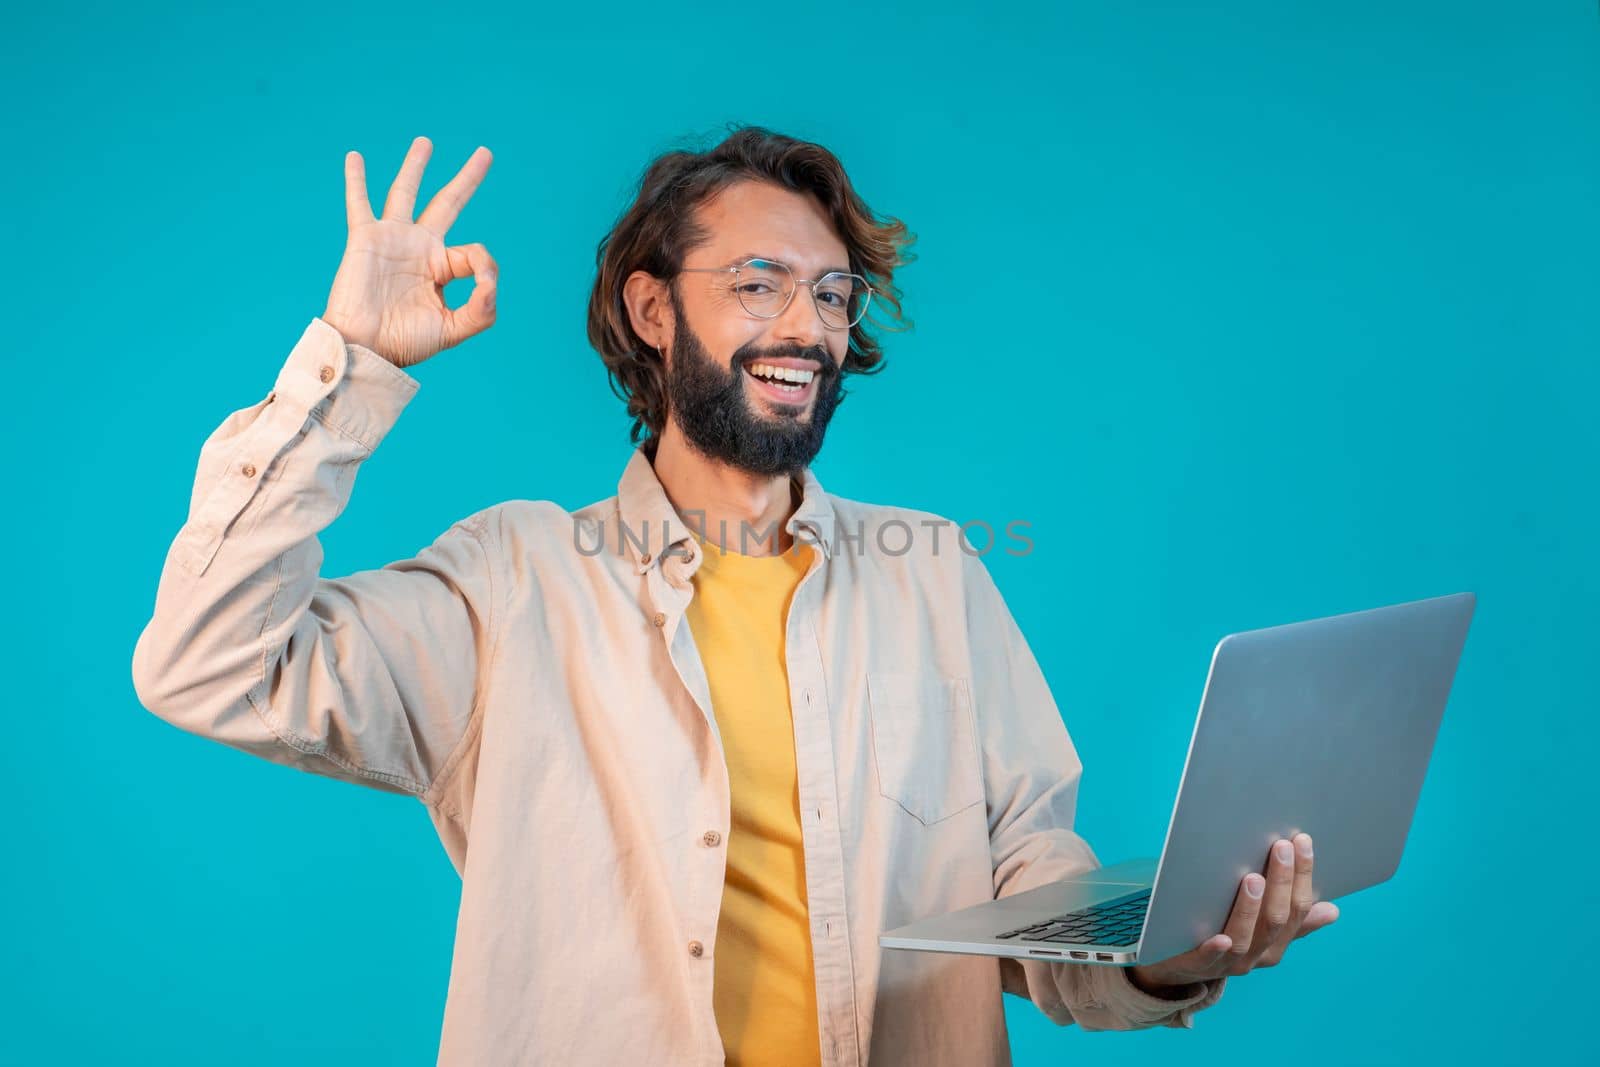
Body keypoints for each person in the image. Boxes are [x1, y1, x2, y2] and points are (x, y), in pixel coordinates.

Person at [131, 127, 1338, 1066]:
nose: (804, 327)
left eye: (828, 294)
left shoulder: (932, 572)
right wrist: (354, 364)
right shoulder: (518, 578)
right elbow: (210, 663)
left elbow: (1024, 895)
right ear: (655, 311)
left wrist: (1171, 946)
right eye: (757, 283)